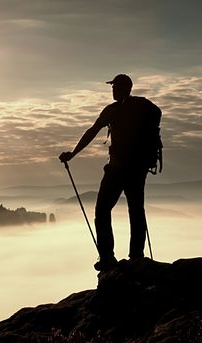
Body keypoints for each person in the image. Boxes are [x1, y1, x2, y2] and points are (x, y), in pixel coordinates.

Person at [59, 74, 162, 271]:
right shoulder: (143, 106)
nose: (112, 90)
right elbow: (158, 114)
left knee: (103, 210)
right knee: (136, 210)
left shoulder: (113, 111)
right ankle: (136, 256)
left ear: (124, 88)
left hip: (117, 168)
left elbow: (92, 131)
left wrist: (73, 154)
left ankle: (107, 257)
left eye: (115, 87)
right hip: (138, 168)